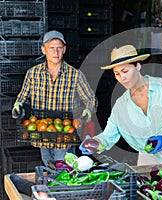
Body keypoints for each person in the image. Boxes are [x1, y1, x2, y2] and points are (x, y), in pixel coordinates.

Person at [79, 44, 162, 166]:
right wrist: (94, 143)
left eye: (125, 71)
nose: (122, 78)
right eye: (117, 73)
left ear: (138, 66)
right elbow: (108, 136)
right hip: (147, 161)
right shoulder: (121, 105)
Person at [12, 30, 98, 166]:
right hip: (41, 133)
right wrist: (18, 106)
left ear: (64, 50)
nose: (55, 52)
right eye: (51, 48)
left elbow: (91, 98)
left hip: (66, 135)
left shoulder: (75, 75)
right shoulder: (33, 73)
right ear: (43, 50)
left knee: (64, 168)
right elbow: (22, 97)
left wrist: (88, 110)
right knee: (49, 167)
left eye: (59, 48)